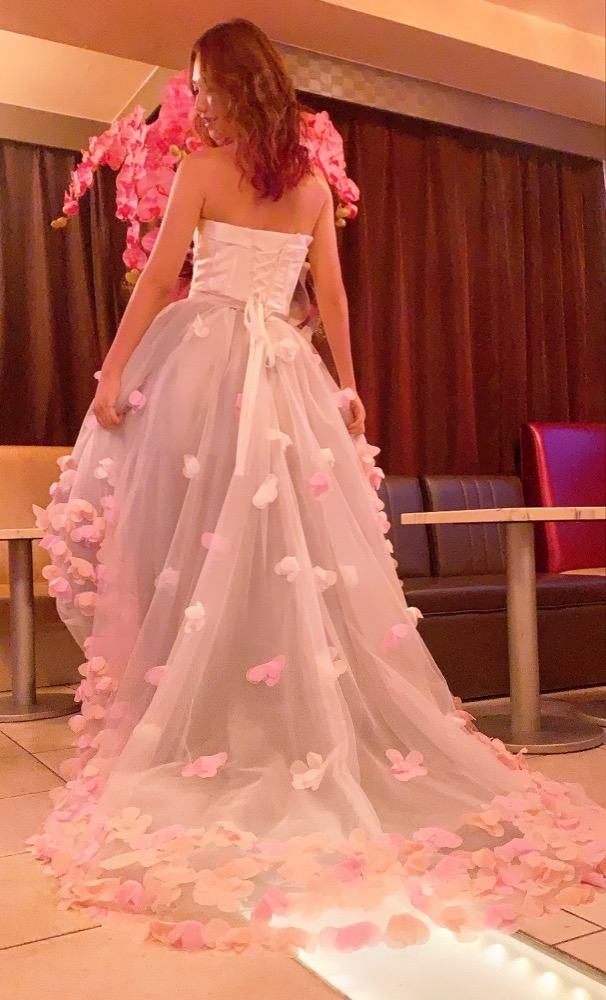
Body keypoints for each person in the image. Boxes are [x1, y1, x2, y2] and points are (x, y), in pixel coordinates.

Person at [31, 19, 605, 956]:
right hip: (287, 373)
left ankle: (216, 724)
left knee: (195, 543)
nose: (199, 101)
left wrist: (115, 369)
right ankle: (266, 716)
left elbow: (160, 281)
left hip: (207, 362)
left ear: (229, 86)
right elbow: (330, 296)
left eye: (203, 85)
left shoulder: (202, 169)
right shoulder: (308, 185)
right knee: (285, 552)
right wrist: (347, 382)